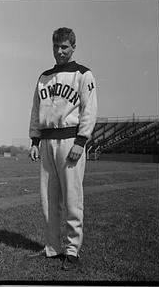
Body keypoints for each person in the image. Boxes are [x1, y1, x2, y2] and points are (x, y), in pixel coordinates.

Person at [29, 27, 97, 270]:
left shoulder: (83, 74)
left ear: (73, 47)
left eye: (64, 47)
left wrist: (81, 141)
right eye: (56, 46)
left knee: (72, 198)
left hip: (71, 141)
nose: (59, 51)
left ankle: (72, 251)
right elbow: (36, 112)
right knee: (48, 198)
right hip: (46, 142)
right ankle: (52, 248)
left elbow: (89, 110)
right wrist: (35, 140)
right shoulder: (44, 77)